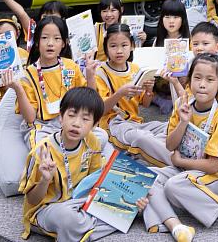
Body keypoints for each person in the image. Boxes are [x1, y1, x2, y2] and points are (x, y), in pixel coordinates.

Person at [142, 53, 218, 242]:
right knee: (145, 177)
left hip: (216, 177)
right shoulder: (182, 105)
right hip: (183, 169)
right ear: (189, 80)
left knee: (173, 186)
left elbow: (215, 166)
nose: (202, 84)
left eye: (210, 79)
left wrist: (181, 161)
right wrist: (183, 122)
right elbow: (170, 144)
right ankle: (177, 227)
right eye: (197, 77)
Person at [19, 86, 144, 241]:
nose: (77, 123)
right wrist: (45, 180)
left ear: (94, 125)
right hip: (48, 209)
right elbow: (32, 200)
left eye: (85, 119)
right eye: (71, 115)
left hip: (79, 200)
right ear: (61, 117)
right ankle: (96, 225)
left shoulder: (92, 141)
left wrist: (128, 196)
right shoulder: (43, 151)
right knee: (69, 218)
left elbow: (96, 180)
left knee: (137, 190)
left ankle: (84, 228)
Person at [3, 16, 94, 148]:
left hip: (71, 121)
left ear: (64, 43)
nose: (50, 43)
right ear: (37, 42)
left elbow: (89, 101)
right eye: (45, 38)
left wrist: (90, 74)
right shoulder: (28, 74)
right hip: (42, 126)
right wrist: (18, 89)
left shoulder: (71, 66)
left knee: (100, 137)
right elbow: (30, 118)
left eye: (57, 38)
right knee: (43, 146)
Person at [94, 24, 171, 167]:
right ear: (106, 48)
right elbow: (100, 110)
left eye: (124, 45)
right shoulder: (101, 72)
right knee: (141, 138)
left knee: (169, 126)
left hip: (136, 122)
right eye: (113, 46)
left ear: (131, 46)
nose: (119, 51)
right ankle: (176, 163)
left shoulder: (135, 69)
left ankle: (170, 154)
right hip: (114, 123)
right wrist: (119, 93)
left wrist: (149, 90)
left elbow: (145, 104)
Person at [0, 0, 68, 45]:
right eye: (45, 17)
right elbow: (21, 13)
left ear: (63, 19)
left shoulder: (70, 34)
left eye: (53, 17)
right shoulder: (35, 32)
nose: (49, 20)